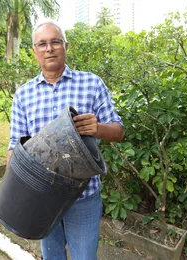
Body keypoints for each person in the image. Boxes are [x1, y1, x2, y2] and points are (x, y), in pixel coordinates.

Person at [7, 19, 124, 260]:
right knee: (52, 257)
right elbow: (14, 149)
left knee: (84, 257)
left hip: (83, 197)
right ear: (34, 51)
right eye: (42, 44)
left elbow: (118, 131)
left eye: (54, 42)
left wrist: (98, 128)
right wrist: (15, 196)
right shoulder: (23, 95)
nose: (48, 48)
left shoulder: (91, 83)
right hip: (41, 198)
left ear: (65, 46)